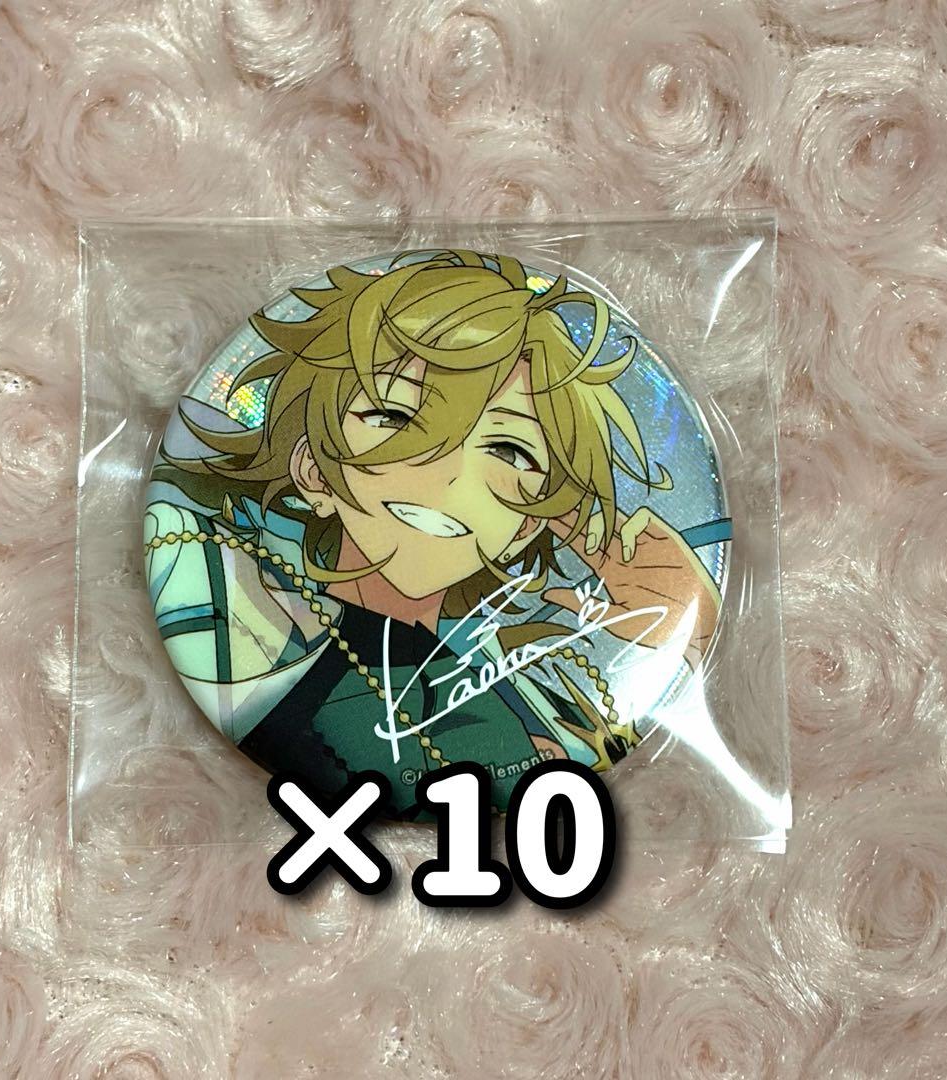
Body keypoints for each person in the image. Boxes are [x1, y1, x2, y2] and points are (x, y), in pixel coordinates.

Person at [144, 249, 722, 818]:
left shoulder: (528, 708)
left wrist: (684, 636)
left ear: (527, 526)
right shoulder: (228, 595)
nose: (445, 476)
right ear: (314, 468)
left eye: (507, 449)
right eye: (394, 417)